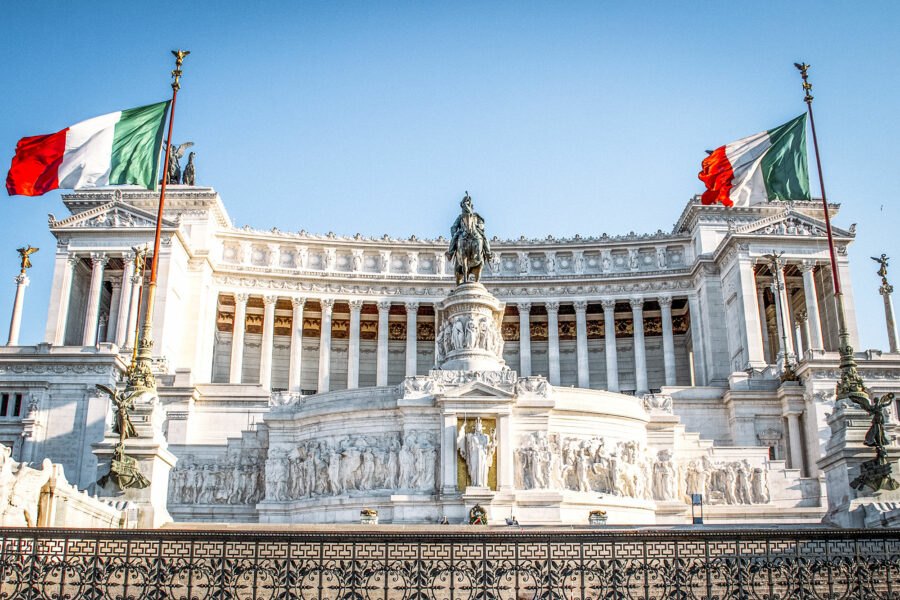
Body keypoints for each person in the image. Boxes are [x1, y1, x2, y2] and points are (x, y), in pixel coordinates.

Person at [447, 192, 493, 261]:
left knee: (484, 238)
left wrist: (478, 226)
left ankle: (488, 253)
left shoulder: (476, 216)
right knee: (454, 238)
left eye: (469, 204)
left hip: (475, 230)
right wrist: (454, 234)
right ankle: (450, 253)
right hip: (462, 231)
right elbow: (454, 226)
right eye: (466, 203)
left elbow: (481, 224)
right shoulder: (460, 217)